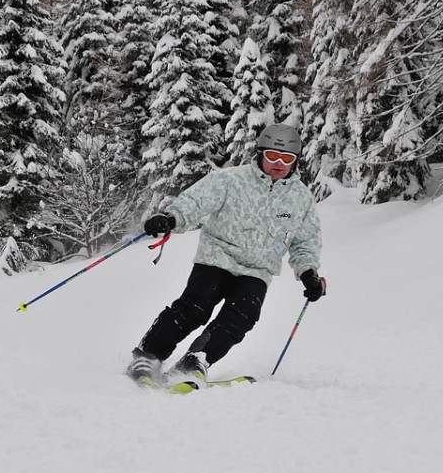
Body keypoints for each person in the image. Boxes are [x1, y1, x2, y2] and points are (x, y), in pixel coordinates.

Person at [126, 124, 326, 385]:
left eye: (286, 158)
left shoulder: (301, 199)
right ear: (260, 154)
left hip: (257, 269)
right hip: (216, 258)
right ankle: (147, 356)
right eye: (272, 157)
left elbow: (305, 241)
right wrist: (171, 218)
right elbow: (196, 201)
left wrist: (308, 272)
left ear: (295, 161)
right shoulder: (231, 180)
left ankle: (195, 360)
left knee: (242, 316)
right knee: (194, 308)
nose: (279, 164)